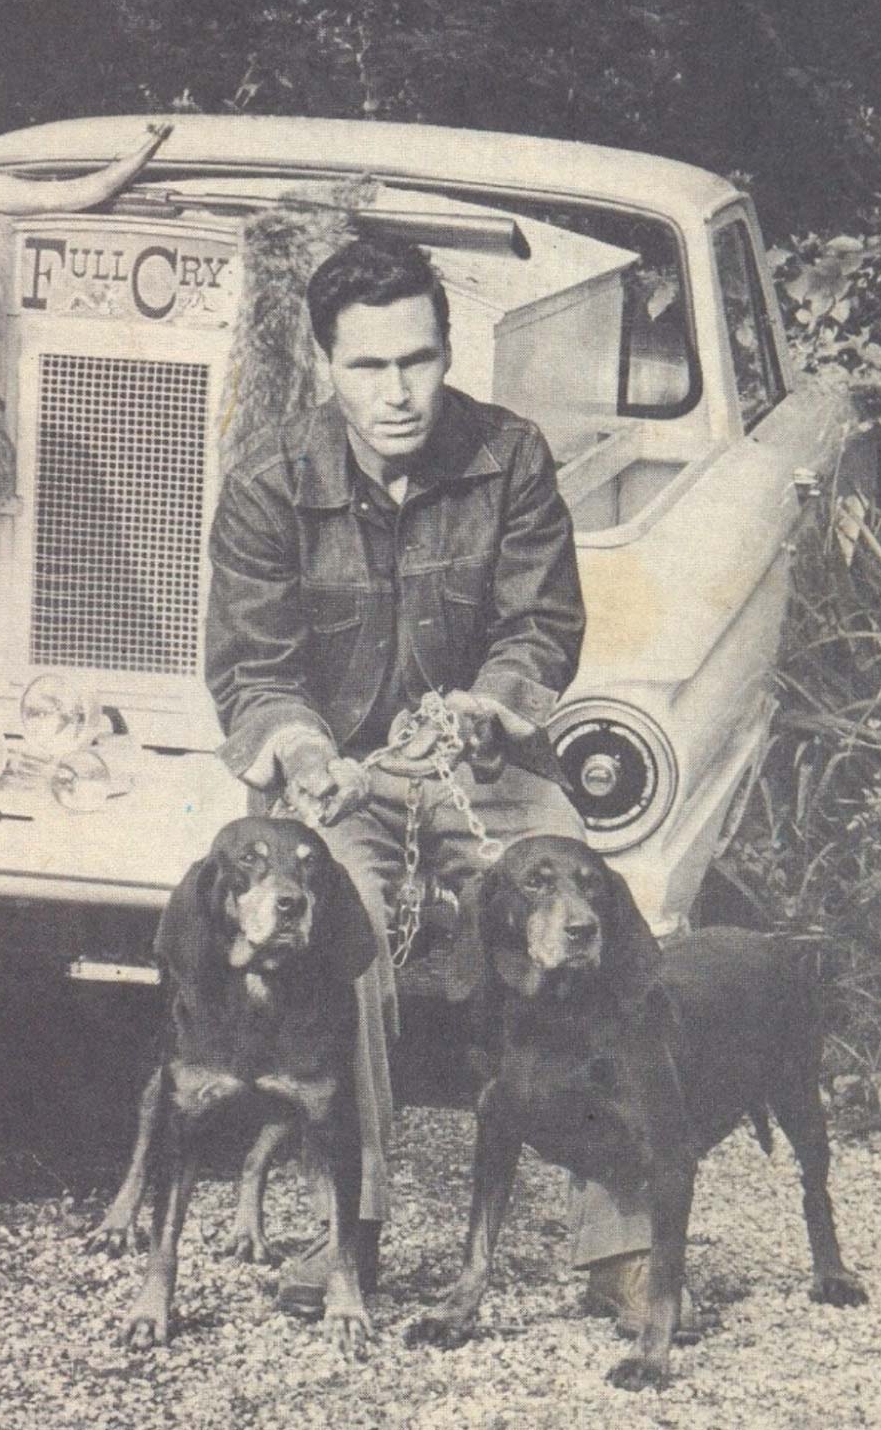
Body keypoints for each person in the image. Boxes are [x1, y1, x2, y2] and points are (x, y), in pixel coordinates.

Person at [204, 235, 666, 1327]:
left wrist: (486, 706)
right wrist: (305, 754)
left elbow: (540, 625)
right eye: (367, 367)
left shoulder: (506, 455)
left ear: (447, 349)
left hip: (483, 771)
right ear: (324, 365)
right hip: (341, 785)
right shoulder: (266, 479)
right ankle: (350, 1223)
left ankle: (619, 1236)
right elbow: (249, 669)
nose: (397, 391)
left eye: (416, 359)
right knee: (335, 922)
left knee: (579, 894)